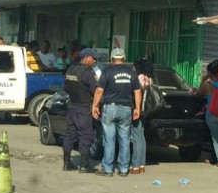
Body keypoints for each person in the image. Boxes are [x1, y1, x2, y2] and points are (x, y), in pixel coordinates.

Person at [92, 48, 141, 177]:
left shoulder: (107, 71)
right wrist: (137, 108)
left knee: (109, 139)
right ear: (124, 59)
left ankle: (108, 168)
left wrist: (95, 105)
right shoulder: (132, 73)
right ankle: (124, 169)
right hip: (126, 108)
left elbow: (99, 90)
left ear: (111, 59)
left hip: (110, 108)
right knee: (124, 139)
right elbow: (138, 92)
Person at [62, 48, 99, 173]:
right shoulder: (88, 72)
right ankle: (84, 165)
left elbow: (66, 88)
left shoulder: (71, 69)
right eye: (94, 59)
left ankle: (66, 163)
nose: (95, 61)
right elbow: (95, 90)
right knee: (85, 136)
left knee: (69, 134)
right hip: (83, 108)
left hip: (72, 106)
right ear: (87, 57)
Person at [130, 58, 153, 174]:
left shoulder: (138, 78)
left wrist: (136, 108)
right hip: (146, 111)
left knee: (135, 137)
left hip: (137, 109)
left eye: (134, 66)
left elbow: (136, 93)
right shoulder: (149, 79)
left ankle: (135, 164)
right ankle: (142, 163)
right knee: (141, 136)